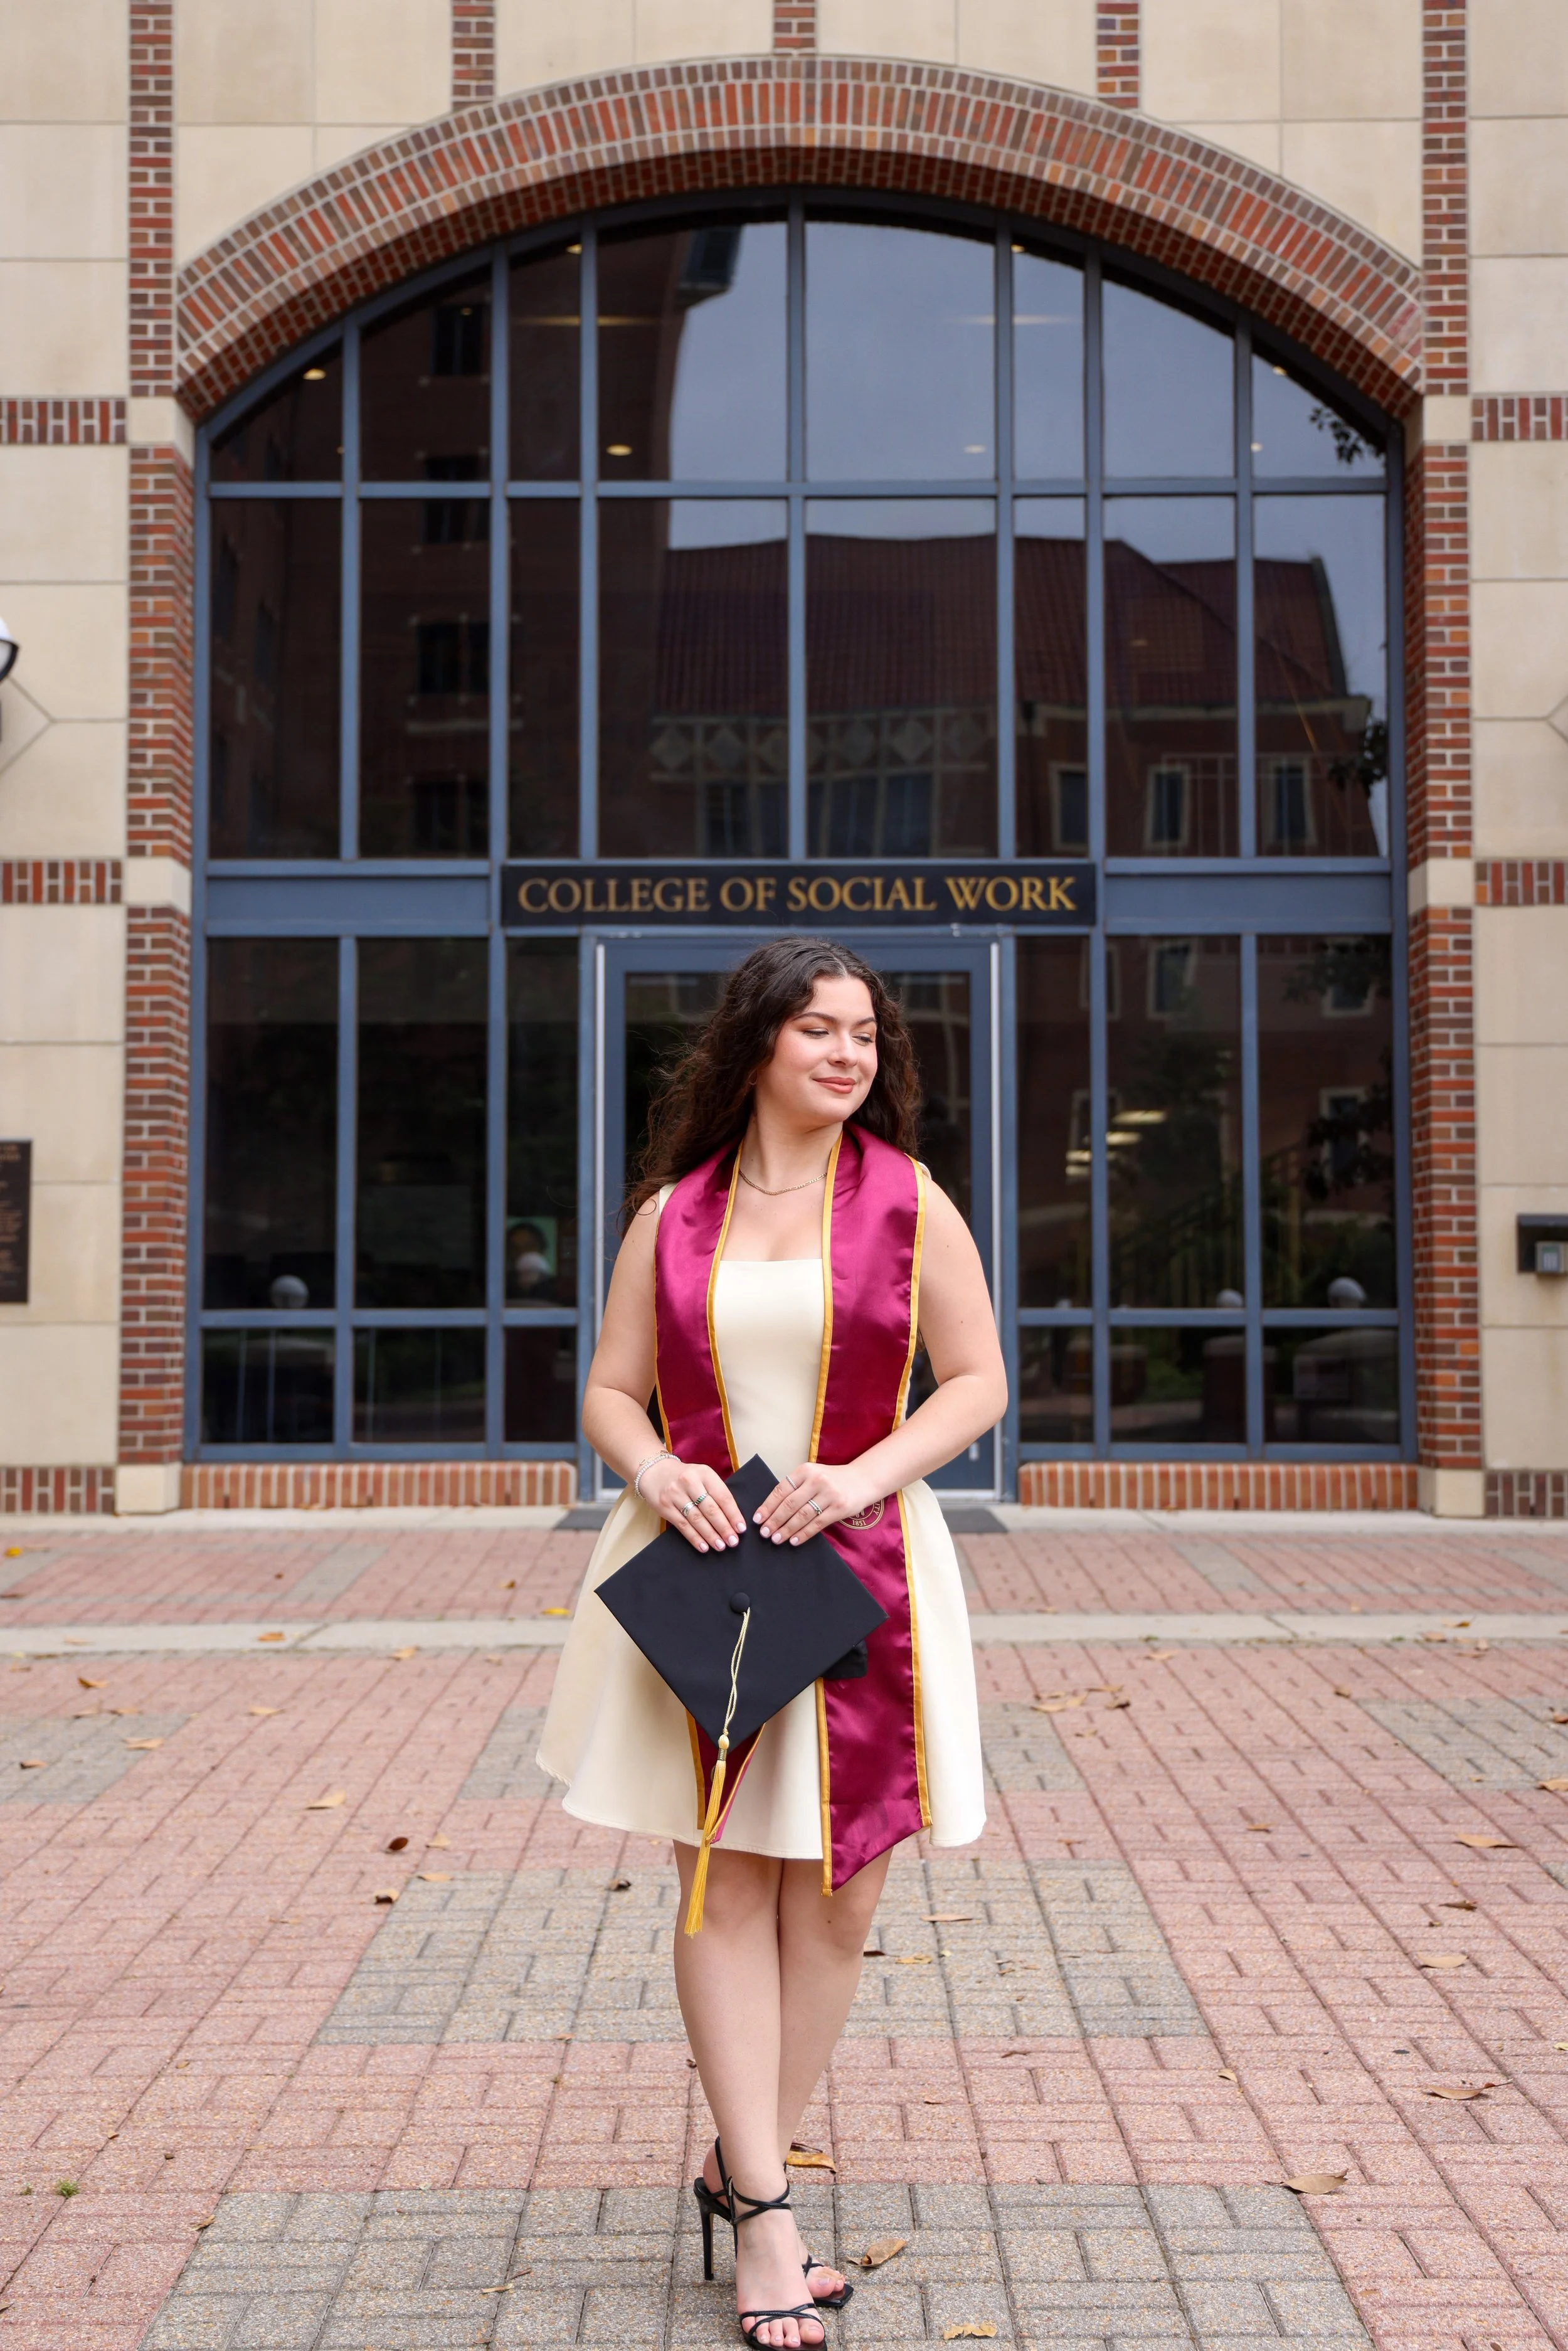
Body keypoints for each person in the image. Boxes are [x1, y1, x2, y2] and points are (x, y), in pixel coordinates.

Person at [539, 938, 1005, 2348]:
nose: (848, 1052)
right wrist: (653, 1468)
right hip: (705, 1565)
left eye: (865, 1032)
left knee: (842, 1899)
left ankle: (739, 2157)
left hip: (864, 1571)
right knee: (724, 1888)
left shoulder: (911, 1201)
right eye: (818, 1028)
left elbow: (976, 1380)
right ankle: (762, 2208)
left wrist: (864, 1477)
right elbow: (609, 1390)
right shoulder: (671, 1215)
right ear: (754, 1046)